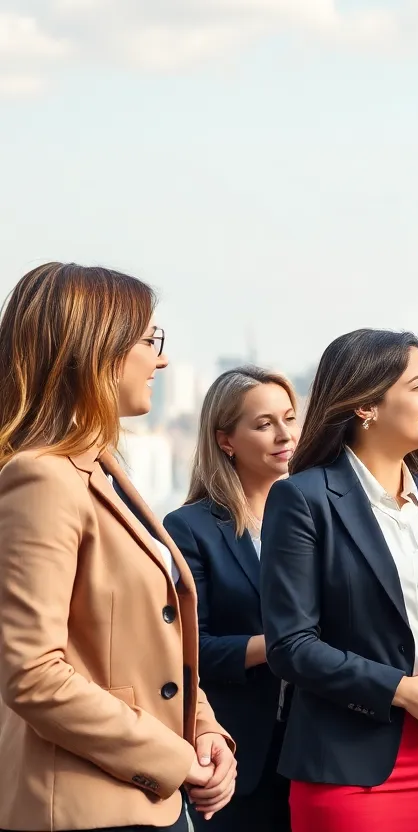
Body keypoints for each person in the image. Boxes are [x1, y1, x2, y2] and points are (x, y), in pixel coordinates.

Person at [0, 263, 236, 832]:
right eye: (148, 340)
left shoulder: (99, 469)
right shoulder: (42, 478)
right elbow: (32, 672)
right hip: (84, 810)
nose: (161, 359)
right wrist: (176, 760)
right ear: (94, 348)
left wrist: (205, 731)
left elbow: (151, 644)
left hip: (141, 800)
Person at [259, 329, 418, 832]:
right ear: (367, 406)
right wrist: (401, 690)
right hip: (347, 764)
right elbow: (292, 645)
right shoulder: (303, 500)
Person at [164, 367, 301, 830]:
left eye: (289, 418)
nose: (285, 435)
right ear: (226, 440)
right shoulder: (190, 528)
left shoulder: (316, 516)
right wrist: (286, 643)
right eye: (264, 424)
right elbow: (189, 649)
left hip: (320, 746)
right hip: (237, 750)